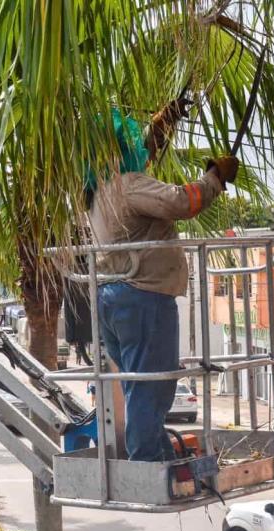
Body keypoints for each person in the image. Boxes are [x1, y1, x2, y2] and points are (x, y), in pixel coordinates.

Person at [88, 110, 239, 462]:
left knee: (137, 385)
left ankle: (149, 449)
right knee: (152, 386)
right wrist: (215, 177)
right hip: (144, 297)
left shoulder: (99, 190)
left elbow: (142, 159)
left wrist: (161, 126)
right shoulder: (127, 184)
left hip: (114, 297)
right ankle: (147, 459)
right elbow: (181, 201)